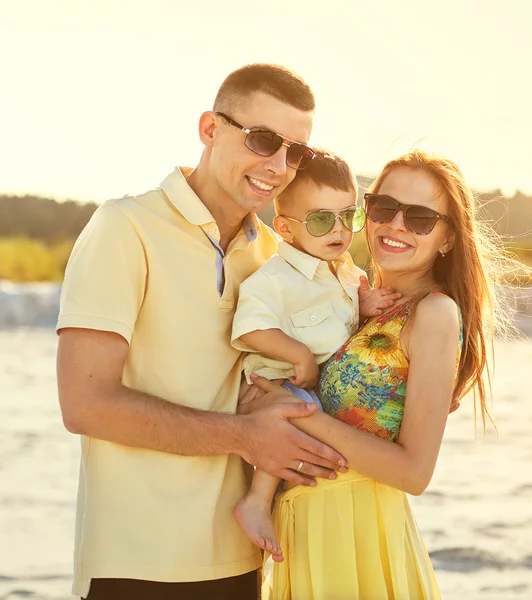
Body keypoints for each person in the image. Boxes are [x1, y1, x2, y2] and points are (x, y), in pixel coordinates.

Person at [55, 63, 350, 600]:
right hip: (135, 563)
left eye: (296, 152)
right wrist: (244, 435)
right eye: (263, 140)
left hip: (244, 561)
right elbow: (84, 403)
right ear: (210, 129)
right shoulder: (125, 227)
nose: (279, 166)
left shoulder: (277, 257)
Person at [240, 150, 516, 599]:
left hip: (356, 529)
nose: (397, 225)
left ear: (447, 238)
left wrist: (293, 412)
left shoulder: (435, 314)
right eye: (384, 208)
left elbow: (414, 472)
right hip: (302, 525)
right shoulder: (350, 301)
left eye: (422, 217)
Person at [230, 148, 401, 562]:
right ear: (286, 229)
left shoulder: (347, 273)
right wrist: (298, 354)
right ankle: (257, 499)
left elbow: (342, 320)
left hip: (326, 382)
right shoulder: (274, 279)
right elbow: (250, 327)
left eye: (349, 216)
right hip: (282, 382)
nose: (339, 229)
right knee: (300, 411)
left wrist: (365, 304)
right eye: (323, 219)